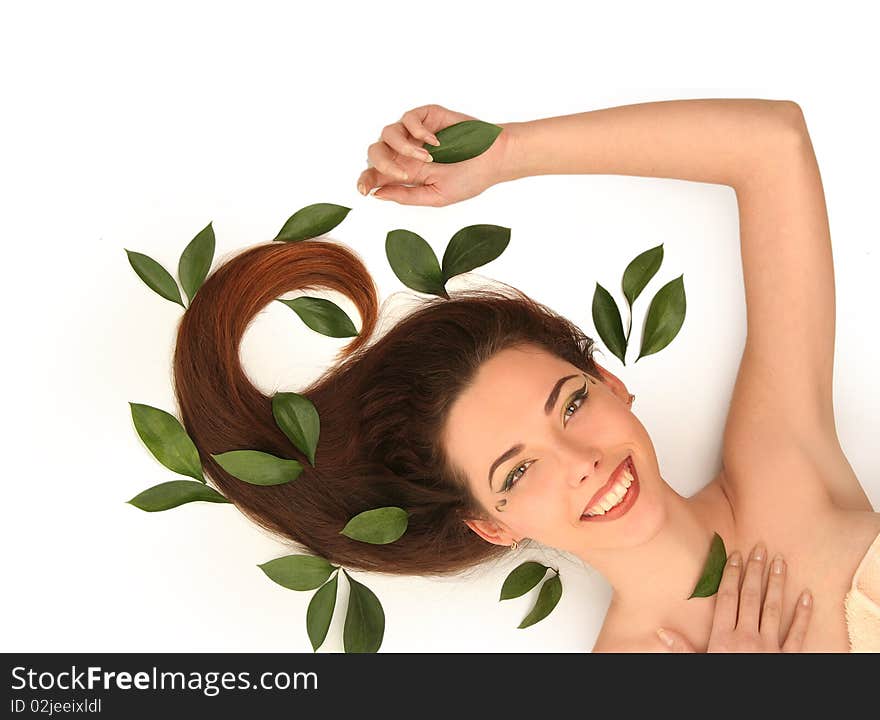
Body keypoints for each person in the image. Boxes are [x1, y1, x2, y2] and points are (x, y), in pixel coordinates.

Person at [173, 99, 880, 652]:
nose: (583, 463)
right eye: (516, 472)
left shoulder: (779, 460)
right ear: (492, 525)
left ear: (610, 379)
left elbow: (773, 146)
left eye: (570, 405)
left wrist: (509, 152)